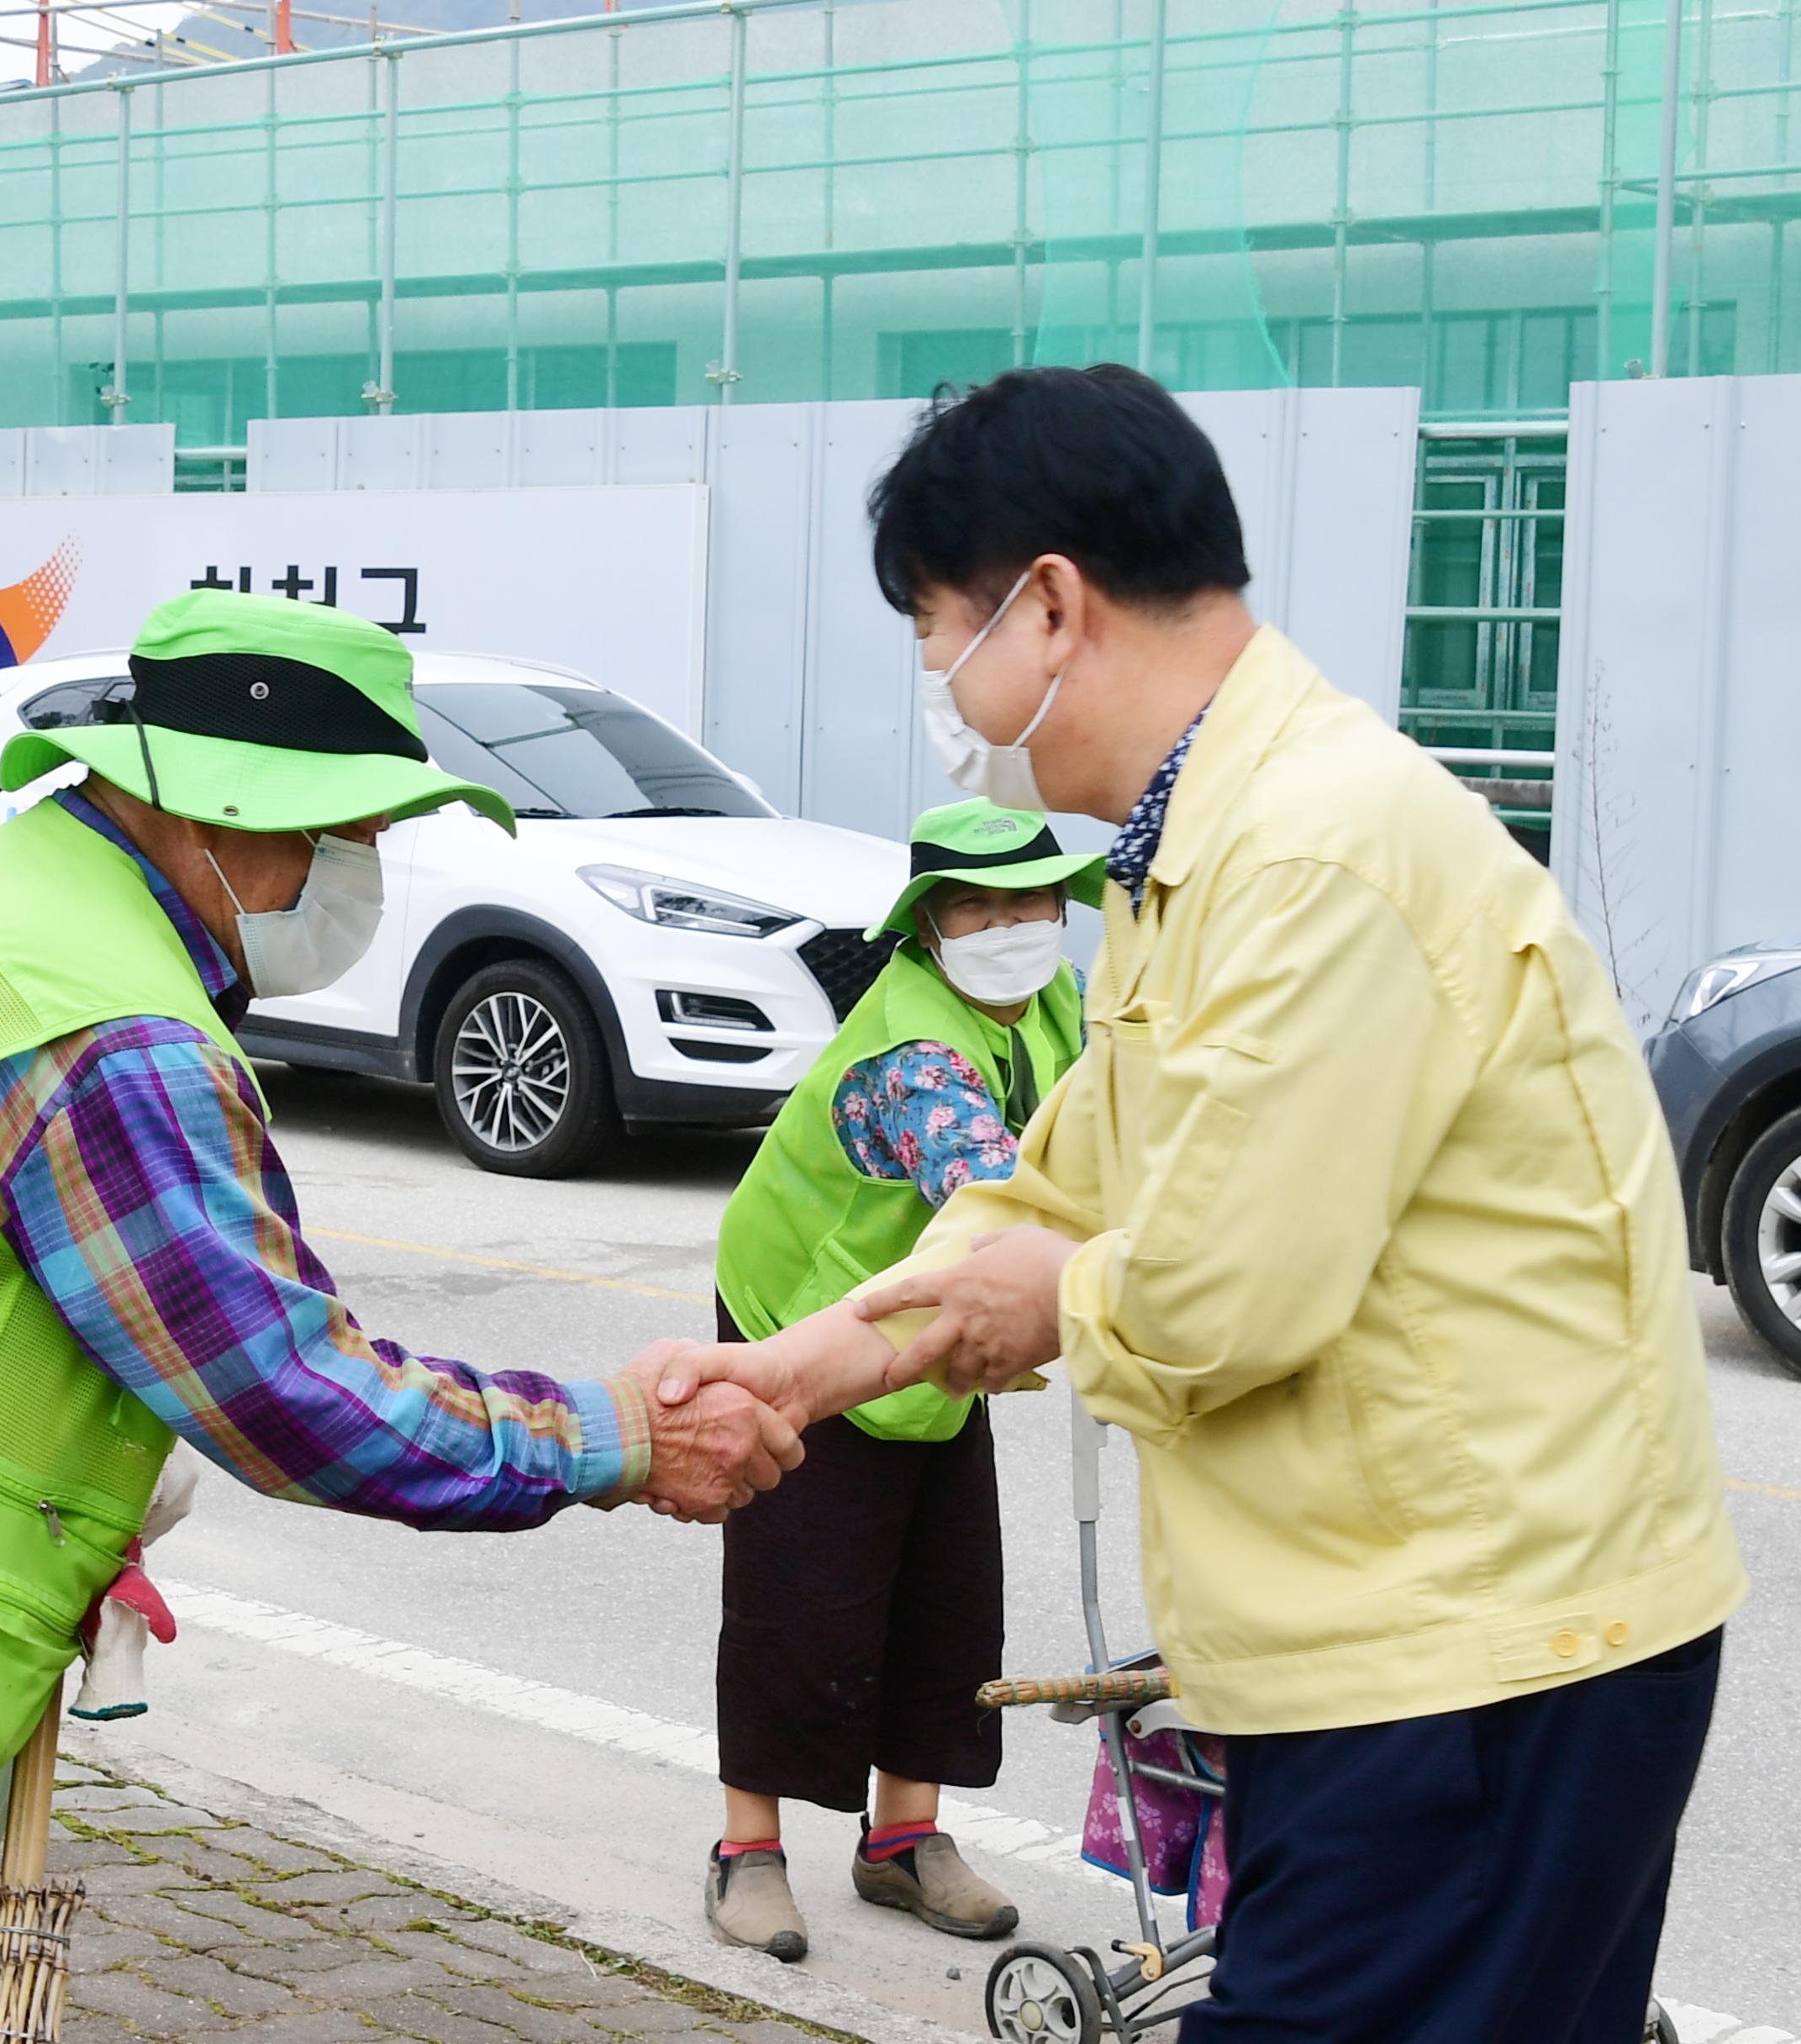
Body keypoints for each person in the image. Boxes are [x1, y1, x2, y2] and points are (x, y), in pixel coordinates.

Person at [0, 588, 802, 2042]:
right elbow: (284, 1386)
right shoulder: (103, 1024)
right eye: (347, 835)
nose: (364, 871)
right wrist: (610, 1438)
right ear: (215, 816)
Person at [646, 365, 1746, 2044]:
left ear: (1053, 604)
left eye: (946, 634)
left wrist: (1045, 1297)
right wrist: (802, 1370)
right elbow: (1052, 1177)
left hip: (1482, 1660)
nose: (946, 684)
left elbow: (1221, 1294)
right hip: (1407, 1657)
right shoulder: (1198, 853)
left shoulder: (1311, 853)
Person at [702, 798, 1103, 1962]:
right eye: (977, 905)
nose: (1011, 925)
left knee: (946, 1583)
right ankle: (746, 1852)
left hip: (931, 1334)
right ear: (930, 928)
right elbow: (990, 1194)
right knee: (801, 1590)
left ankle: (902, 1842)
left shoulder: (1056, 1000)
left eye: (1030, 900)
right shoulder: (913, 1056)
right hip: (810, 1318)